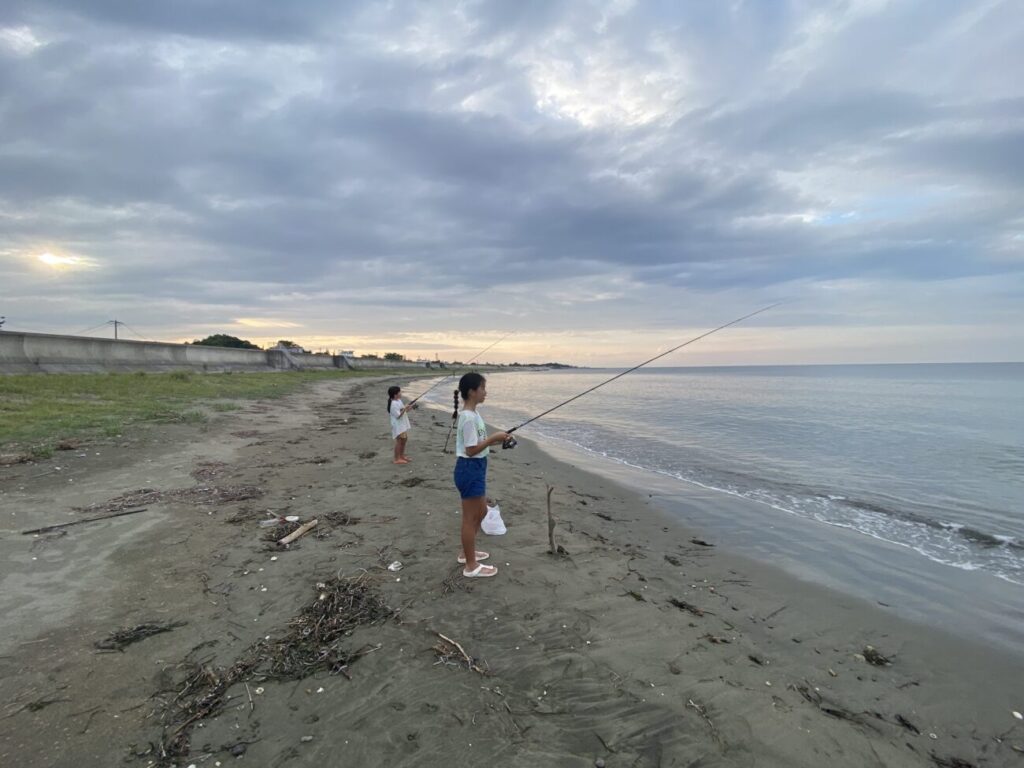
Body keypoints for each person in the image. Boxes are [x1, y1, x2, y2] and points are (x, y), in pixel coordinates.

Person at [453, 372, 510, 578]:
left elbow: (479, 443)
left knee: (482, 513)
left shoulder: (474, 414)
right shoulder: (468, 418)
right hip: (469, 468)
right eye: (483, 388)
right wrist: (492, 438)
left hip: (476, 468)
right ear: (472, 391)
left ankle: (467, 552)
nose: (486, 392)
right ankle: (470, 566)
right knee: (470, 518)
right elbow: (470, 450)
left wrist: (498, 439)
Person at [387, 385, 414, 465]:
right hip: (398, 425)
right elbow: (398, 416)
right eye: (400, 392)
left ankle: (401, 456)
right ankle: (396, 459)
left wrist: (409, 408)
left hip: (402, 425)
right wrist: (405, 408)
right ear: (395, 394)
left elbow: (403, 411)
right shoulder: (393, 404)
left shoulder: (398, 400)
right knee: (399, 441)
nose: (401, 393)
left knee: (404, 440)